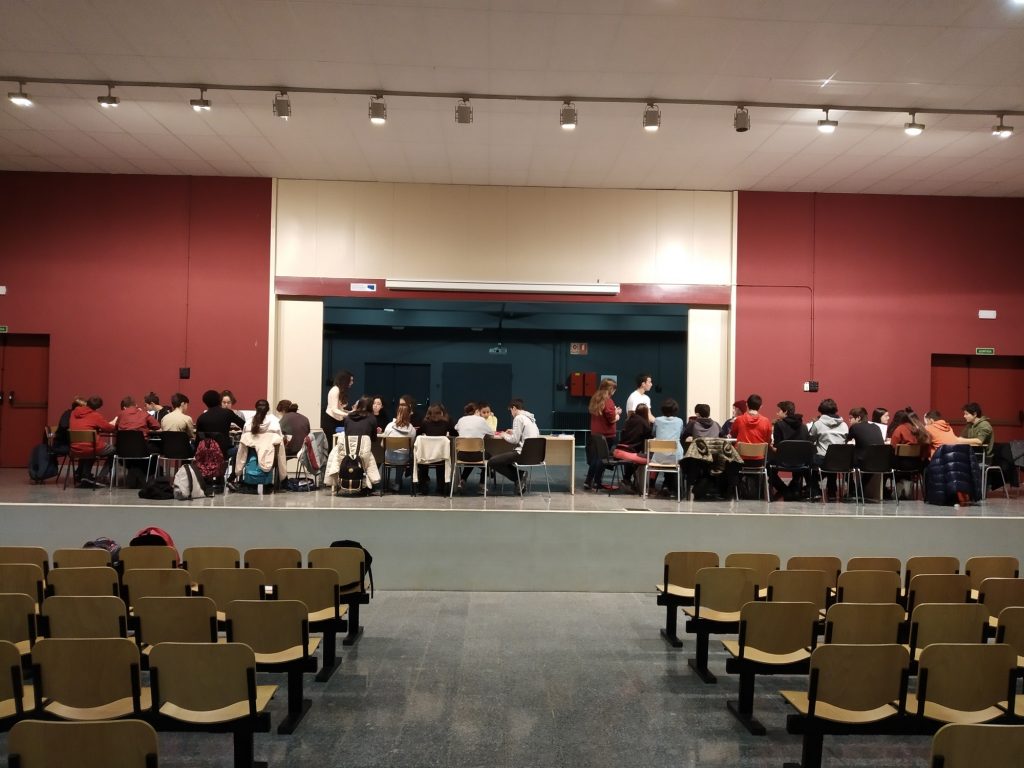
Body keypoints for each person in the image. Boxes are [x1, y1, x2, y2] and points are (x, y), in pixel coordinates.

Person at [489, 398, 541, 494]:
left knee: (492, 462)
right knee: (504, 460)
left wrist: (504, 435)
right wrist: (513, 431)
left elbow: (514, 440)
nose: (511, 413)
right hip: (534, 454)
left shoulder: (518, 418)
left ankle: (520, 476)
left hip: (522, 453)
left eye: (510, 411)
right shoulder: (530, 418)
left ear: (514, 408)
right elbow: (529, 433)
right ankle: (519, 480)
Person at [768, 400, 811, 500]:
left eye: (779, 411)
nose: (777, 413)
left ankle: (784, 490)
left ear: (785, 412)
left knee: (767, 465)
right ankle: (794, 488)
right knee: (797, 457)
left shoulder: (779, 425)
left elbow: (777, 447)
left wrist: (770, 447)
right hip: (801, 462)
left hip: (783, 461)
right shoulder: (803, 426)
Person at [69, 396, 116, 486]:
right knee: (114, 450)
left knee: (87, 447)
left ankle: (84, 475)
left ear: (87, 403)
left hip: (75, 448)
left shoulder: (74, 413)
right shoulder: (95, 415)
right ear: (98, 407)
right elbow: (109, 428)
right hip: (91, 448)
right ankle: (102, 477)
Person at [808, 398, 848, 500]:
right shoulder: (844, 425)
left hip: (823, 459)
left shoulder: (818, 424)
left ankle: (816, 492)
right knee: (832, 461)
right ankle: (832, 492)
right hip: (840, 461)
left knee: (809, 464)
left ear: (821, 410)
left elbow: (811, 439)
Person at [585, 378, 620, 491]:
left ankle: (588, 481)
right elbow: (611, 419)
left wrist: (614, 412)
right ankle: (597, 482)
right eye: (614, 389)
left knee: (595, 458)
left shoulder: (595, 398)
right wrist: (617, 415)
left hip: (596, 434)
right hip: (607, 435)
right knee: (602, 459)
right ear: (611, 389)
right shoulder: (608, 401)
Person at [453, 402, 494, 492]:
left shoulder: (461, 419)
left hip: (461, 455)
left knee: (470, 458)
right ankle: (482, 483)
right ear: (477, 411)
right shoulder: (481, 420)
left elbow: (456, 428)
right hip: (478, 456)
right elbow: (491, 433)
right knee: (490, 458)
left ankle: (462, 480)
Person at [195, 389, 246, 458]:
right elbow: (244, 425)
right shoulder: (228, 413)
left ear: (205, 402)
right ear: (219, 400)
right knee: (240, 450)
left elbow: (198, 439)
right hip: (224, 452)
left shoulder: (201, 418)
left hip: (207, 453)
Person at [615, 403, 653, 490]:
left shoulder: (629, 420)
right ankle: (644, 485)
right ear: (645, 413)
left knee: (635, 458)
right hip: (628, 452)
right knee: (650, 459)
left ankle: (629, 480)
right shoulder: (644, 423)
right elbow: (648, 436)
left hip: (619, 450)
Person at [652, 398, 684, 496]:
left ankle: (664, 486)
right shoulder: (679, 421)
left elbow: (653, 433)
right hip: (675, 457)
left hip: (658, 457)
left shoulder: (657, 420)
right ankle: (669, 487)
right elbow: (681, 433)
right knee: (673, 456)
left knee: (665, 456)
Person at [383, 403, 417, 491]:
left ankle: (391, 483)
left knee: (397, 454)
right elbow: (411, 446)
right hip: (403, 459)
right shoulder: (412, 429)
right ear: (409, 414)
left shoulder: (389, 426)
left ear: (397, 412)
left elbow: (383, 444)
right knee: (402, 455)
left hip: (388, 458)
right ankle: (397, 483)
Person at [730, 394, 772, 458]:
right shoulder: (766, 421)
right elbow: (768, 440)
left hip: (741, 459)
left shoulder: (739, 420)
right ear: (760, 406)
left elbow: (733, 435)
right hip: (759, 459)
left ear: (747, 404)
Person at [324, 370, 354, 435]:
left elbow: (340, 409)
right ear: (345, 380)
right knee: (333, 441)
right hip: (331, 421)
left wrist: (350, 412)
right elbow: (334, 409)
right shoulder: (335, 390)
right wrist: (347, 415)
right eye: (350, 380)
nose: (352, 382)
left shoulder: (340, 391)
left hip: (338, 420)